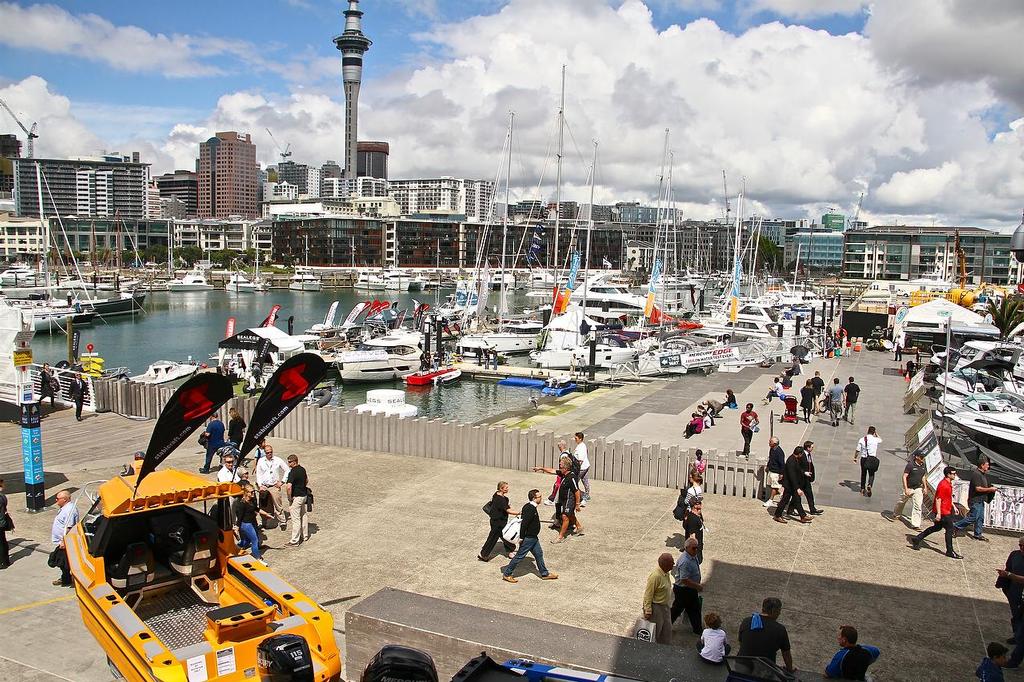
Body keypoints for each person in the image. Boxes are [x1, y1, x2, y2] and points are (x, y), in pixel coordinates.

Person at [502, 489, 558, 583]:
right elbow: (524, 524)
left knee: (539, 554)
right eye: (539, 497)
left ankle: (544, 573)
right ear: (534, 498)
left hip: (533, 538)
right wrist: (522, 538)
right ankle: (507, 574)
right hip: (528, 538)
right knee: (519, 556)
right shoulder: (530, 509)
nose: (541, 498)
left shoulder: (530, 507)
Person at [911, 466, 961, 559]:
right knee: (949, 529)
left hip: (945, 510)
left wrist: (953, 506)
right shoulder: (943, 485)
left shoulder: (948, 483)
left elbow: (948, 497)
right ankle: (949, 551)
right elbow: (938, 499)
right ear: (948, 474)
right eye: (953, 473)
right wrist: (938, 513)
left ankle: (918, 539)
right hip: (943, 512)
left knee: (937, 527)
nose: (955, 475)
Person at [738, 597, 794, 674]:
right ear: (774, 611)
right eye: (779, 611)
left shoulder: (746, 621)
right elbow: (786, 654)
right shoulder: (780, 629)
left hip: (741, 666)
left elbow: (741, 642)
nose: (779, 613)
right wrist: (789, 670)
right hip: (764, 670)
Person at [955, 455, 997, 542]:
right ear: (982, 465)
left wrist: (991, 487)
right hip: (975, 500)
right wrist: (990, 489)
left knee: (980, 518)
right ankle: (955, 526)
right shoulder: (976, 475)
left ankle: (978, 534)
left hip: (981, 500)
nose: (988, 466)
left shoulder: (982, 474)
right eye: (987, 465)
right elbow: (978, 488)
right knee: (973, 517)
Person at [671, 537, 704, 635]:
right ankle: (665, 625)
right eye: (693, 548)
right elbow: (684, 579)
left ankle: (697, 629)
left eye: (696, 547)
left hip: (690, 589)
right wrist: (697, 586)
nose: (696, 550)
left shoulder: (693, 555)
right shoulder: (685, 561)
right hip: (683, 590)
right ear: (687, 548)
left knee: (694, 608)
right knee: (677, 609)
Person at [480, 481, 520, 561]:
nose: (507, 489)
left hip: (497, 521)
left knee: (505, 535)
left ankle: (510, 551)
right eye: (506, 488)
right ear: (501, 489)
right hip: (498, 522)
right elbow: (508, 510)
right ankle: (483, 554)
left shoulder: (496, 495)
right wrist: (520, 512)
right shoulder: (501, 499)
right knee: (493, 538)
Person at [233, 484, 273, 562]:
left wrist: (266, 514)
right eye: (251, 492)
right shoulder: (241, 503)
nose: (253, 494)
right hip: (246, 524)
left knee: (247, 541)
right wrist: (237, 528)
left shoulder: (252, 500)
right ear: (246, 493)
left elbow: (256, 509)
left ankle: (236, 548)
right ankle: (257, 557)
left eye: (253, 492)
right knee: (254, 540)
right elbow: (239, 517)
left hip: (252, 522)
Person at [255, 443, 290, 530]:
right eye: (267, 452)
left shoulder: (277, 460)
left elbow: (287, 470)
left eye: (271, 452)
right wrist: (260, 486)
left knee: (278, 504)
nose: (269, 454)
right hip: (264, 486)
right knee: (263, 504)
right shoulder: (261, 461)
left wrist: (282, 482)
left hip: (274, 485)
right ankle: (263, 521)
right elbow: (258, 474)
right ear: (265, 453)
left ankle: (282, 521)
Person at [774, 447, 811, 524]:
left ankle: (803, 516)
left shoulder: (795, 459)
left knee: (797, 500)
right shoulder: (791, 461)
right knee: (785, 500)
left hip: (792, 485)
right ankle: (777, 515)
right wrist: (797, 488)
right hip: (789, 485)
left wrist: (804, 472)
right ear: (799, 454)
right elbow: (792, 476)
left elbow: (798, 469)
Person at [642, 553, 674, 644]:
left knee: (667, 631)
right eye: (672, 562)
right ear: (665, 564)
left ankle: (664, 648)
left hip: (665, 607)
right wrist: (647, 609)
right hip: (657, 608)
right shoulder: (655, 576)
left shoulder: (666, 573)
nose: (673, 564)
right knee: (655, 632)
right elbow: (648, 594)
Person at [891, 451, 927, 530]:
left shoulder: (923, 465)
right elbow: (904, 476)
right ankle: (896, 514)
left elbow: (923, 476)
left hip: (918, 488)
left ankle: (916, 524)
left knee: (918, 506)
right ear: (917, 457)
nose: (923, 458)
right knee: (901, 502)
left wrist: (925, 487)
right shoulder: (910, 465)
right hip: (909, 487)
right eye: (921, 457)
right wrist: (906, 488)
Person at [998, 537, 1024, 647]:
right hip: (1014, 592)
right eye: (1020, 545)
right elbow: (1008, 568)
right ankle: (1017, 636)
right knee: (1016, 616)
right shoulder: (1014, 555)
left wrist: (1009, 575)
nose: (1022, 548)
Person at [51, 489, 79, 587]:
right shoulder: (65, 508)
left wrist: (63, 541)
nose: (56, 500)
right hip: (61, 541)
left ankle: (67, 579)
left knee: (63, 562)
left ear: (65, 499)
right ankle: (65, 578)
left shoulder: (69, 510)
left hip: (65, 542)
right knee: (64, 563)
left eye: (58, 499)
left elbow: (69, 527)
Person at [553, 458, 584, 543]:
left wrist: (577, 504)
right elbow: (552, 470)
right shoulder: (563, 473)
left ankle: (560, 537)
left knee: (565, 516)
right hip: (564, 500)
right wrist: (541, 468)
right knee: (570, 515)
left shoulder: (571, 477)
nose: (559, 467)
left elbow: (577, 491)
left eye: (561, 466)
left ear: (565, 468)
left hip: (570, 500)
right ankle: (579, 527)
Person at [791, 440, 822, 516]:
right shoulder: (801, 455)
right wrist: (804, 473)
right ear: (808, 448)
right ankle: (790, 509)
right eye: (812, 447)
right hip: (801, 479)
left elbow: (810, 465)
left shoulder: (808, 454)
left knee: (809, 494)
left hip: (806, 479)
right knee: (797, 496)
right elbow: (798, 467)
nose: (813, 448)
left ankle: (812, 509)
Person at [284, 454, 310, 546]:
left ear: (295, 461)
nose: (288, 463)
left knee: (296, 519)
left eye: (290, 462)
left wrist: (289, 497)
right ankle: (305, 535)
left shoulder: (293, 472)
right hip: (304, 496)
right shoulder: (302, 469)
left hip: (297, 497)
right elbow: (306, 480)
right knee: (303, 515)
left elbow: (288, 487)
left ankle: (294, 541)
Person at [854, 426, 882, 497]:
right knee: (871, 474)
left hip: (864, 459)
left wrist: (855, 457)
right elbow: (881, 440)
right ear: (874, 432)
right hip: (872, 459)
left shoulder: (862, 439)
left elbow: (858, 450)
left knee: (863, 474)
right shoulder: (875, 440)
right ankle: (869, 484)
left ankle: (862, 489)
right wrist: (876, 434)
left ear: (867, 431)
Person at [763, 437, 785, 510]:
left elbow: (782, 463)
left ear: (775, 444)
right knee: (771, 485)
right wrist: (768, 466)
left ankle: (771, 500)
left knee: (774, 486)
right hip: (771, 470)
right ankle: (782, 493)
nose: (769, 443)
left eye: (770, 442)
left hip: (776, 472)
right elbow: (770, 458)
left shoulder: (779, 452)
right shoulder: (772, 449)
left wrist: (781, 473)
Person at [573, 432, 591, 505]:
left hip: (581, 468)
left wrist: (575, 469)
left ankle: (581, 496)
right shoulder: (582, 445)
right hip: (585, 466)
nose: (575, 440)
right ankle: (586, 495)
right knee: (585, 481)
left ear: (580, 439)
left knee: (574, 482)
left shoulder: (581, 447)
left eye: (576, 438)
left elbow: (580, 460)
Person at [0, 478, 9, 569]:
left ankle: (3, 562)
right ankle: (5, 560)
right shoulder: (3, 496)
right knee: (3, 541)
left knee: (1, 543)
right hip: (2, 522)